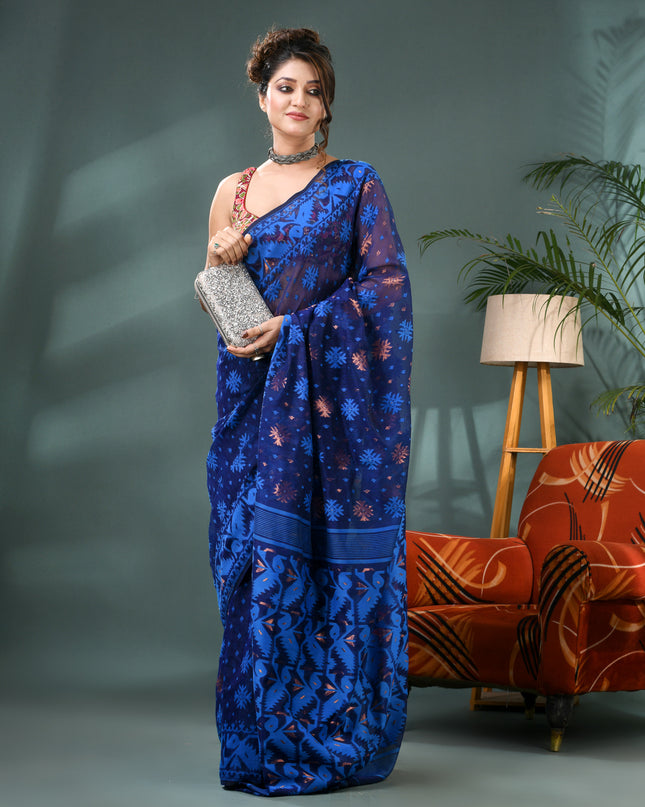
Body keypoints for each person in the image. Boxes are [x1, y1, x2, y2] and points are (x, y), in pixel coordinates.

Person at [203, 27, 413, 796]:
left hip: (330, 414)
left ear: (326, 108)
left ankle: (332, 729)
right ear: (262, 96)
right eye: (285, 87)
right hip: (250, 405)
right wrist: (221, 258)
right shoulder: (231, 192)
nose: (298, 100)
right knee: (246, 560)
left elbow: (386, 291)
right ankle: (258, 733)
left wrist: (297, 328)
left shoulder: (355, 184)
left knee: (323, 563)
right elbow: (217, 300)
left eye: (313, 90)